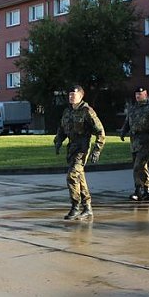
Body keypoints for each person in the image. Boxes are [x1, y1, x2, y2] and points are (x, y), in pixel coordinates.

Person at [54, 85, 105, 220]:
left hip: (82, 148)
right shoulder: (67, 111)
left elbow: (100, 131)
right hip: (72, 148)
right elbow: (62, 129)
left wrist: (97, 150)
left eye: (74, 95)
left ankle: (75, 207)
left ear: (81, 96)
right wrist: (58, 141)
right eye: (70, 94)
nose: (71, 97)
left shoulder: (87, 111)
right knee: (79, 178)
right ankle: (87, 208)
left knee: (71, 176)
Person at [120, 86, 149, 201]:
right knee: (141, 167)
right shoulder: (133, 108)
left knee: (138, 166)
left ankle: (139, 190)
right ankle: (147, 191)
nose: (137, 96)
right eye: (136, 94)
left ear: (145, 95)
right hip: (134, 140)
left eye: (140, 94)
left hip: (145, 139)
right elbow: (127, 122)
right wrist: (123, 132)